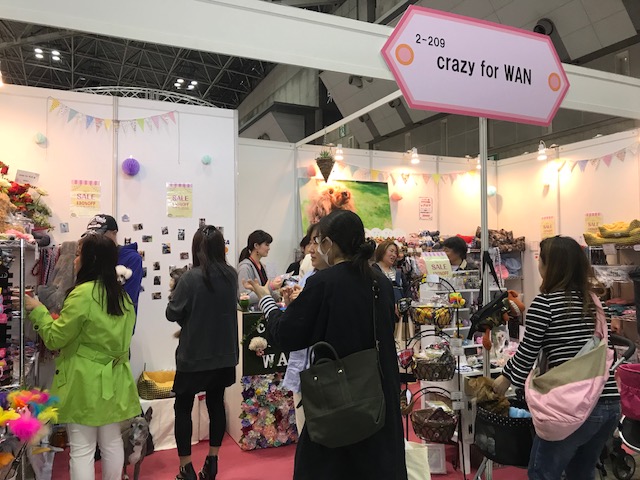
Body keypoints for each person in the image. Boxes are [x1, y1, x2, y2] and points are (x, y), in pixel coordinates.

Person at [244, 210, 407, 480]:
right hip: (379, 393)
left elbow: (285, 334)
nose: (314, 249)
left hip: (339, 398)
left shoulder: (324, 282)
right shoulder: (379, 280)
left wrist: (266, 299)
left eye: (318, 241)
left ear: (329, 243)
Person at [493, 235, 620, 480]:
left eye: (541, 260)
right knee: (581, 473)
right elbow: (606, 350)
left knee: (542, 473)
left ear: (551, 266)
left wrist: (505, 379)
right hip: (608, 402)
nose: (538, 265)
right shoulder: (595, 302)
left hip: (572, 406)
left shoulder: (545, 304)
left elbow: (527, 352)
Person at [25, 233, 140, 480]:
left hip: (85, 380)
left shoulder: (82, 294)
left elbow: (55, 338)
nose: (75, 260)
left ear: (91, 259)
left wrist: (38, 311)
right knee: (111, 442)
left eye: (78, 254)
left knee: (82, 448)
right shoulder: (122, 297)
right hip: (116, 379)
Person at [166, 225, 239, 480]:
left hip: (194, 355)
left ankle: (186, 467)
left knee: (183, 407)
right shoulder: (231, 275)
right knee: (216, 404)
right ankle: (213, 460)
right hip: (224, 354)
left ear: (196, 249)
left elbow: (172, 313)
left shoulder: (189, 278)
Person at [282, 223, 328, 434]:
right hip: (303, 360)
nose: (311, 249)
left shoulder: (330, 281)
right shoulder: (310, 276)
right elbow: (295, 321)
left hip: (323, 367)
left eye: (317, 242)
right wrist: (291, 303)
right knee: (303, 424)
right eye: (310, 242)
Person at [85, 214, 143, 314]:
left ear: (114, 233)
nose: (94, 240)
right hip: (92, 317)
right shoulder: (91, 256)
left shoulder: (132, 258)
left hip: (120, 317)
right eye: (91, 237)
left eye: (99, 236)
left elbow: (128, 297)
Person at [237, 229, 282, 306]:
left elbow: (267, 292)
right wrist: (271, 287)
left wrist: (280, 296)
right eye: (266, 245)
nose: (269, 248)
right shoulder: (245, 268)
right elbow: (244, 297)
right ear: (256, 246)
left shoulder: (263, 266)